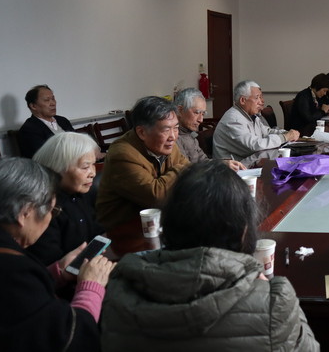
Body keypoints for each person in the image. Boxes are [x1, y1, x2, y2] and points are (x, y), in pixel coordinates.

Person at [102, 160, 320, 351]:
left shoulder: (118, 289)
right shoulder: (273, 302)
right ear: (244, 231)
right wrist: (276, 296)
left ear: (168, 224)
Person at [0, 157, 115, 352]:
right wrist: (91, 286)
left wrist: (58, 272)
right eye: (52, 210)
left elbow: (24, 301)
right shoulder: (10, 269)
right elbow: (69, 338)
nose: (51, 218)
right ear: (25, 213)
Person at [96, 96, 190, 231]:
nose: (173, 137)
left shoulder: (166, 144)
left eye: (176, 128)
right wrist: (182, 169)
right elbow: (156, 196)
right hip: (122, 230)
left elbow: (189, 175)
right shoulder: (122, 154)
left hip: (157, 222)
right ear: (142, 132)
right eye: (166, 129)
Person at [27, 132, 106, 267]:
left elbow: (97, 232)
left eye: (93, 164)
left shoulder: (82, 193)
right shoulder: (44, 207)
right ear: (57, 168)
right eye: (85, 167)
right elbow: (50, 264)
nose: (93, 173)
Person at [213, 81, 299, 166]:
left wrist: (286, 133)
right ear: (243, 100)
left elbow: (267, 132)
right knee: (279, 156)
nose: (262, 101)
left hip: (249, 162)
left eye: (261, 97)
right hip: (234, 168)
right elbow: (255, 145)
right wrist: (284, 137)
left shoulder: (252, 115)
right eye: (257, 98)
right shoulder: (233, 120)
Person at [173, 88, 244, 171]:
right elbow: (186, 171)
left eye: (203, 114)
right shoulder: (172, 138)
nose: (201, 120)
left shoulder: (190, 134)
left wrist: (223, 164)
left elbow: (204, 161)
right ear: (180, 110)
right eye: (196, 113)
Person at [17, 84, 75, 158]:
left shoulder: (62, 120)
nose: (53, 103)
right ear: (33, 106)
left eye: (53, 99)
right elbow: (44, 157)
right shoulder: (29, 129)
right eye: (47, 100)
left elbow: (78, 141)